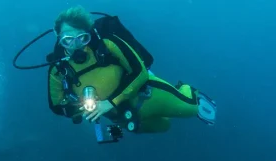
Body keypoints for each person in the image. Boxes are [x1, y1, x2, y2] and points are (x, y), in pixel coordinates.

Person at [47, 7, 215, 137]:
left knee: (189, 109)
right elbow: (57, 106)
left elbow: (140, 72)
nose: (76, 46)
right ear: (58, 36)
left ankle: (187, 91)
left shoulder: (107, 45)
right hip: (121, 116)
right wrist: (81, 107)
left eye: (82, 38)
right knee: (164, 126)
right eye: (68, 40)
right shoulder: (58, 69)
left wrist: (110, 102)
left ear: (89, 33)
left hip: (147, 95)